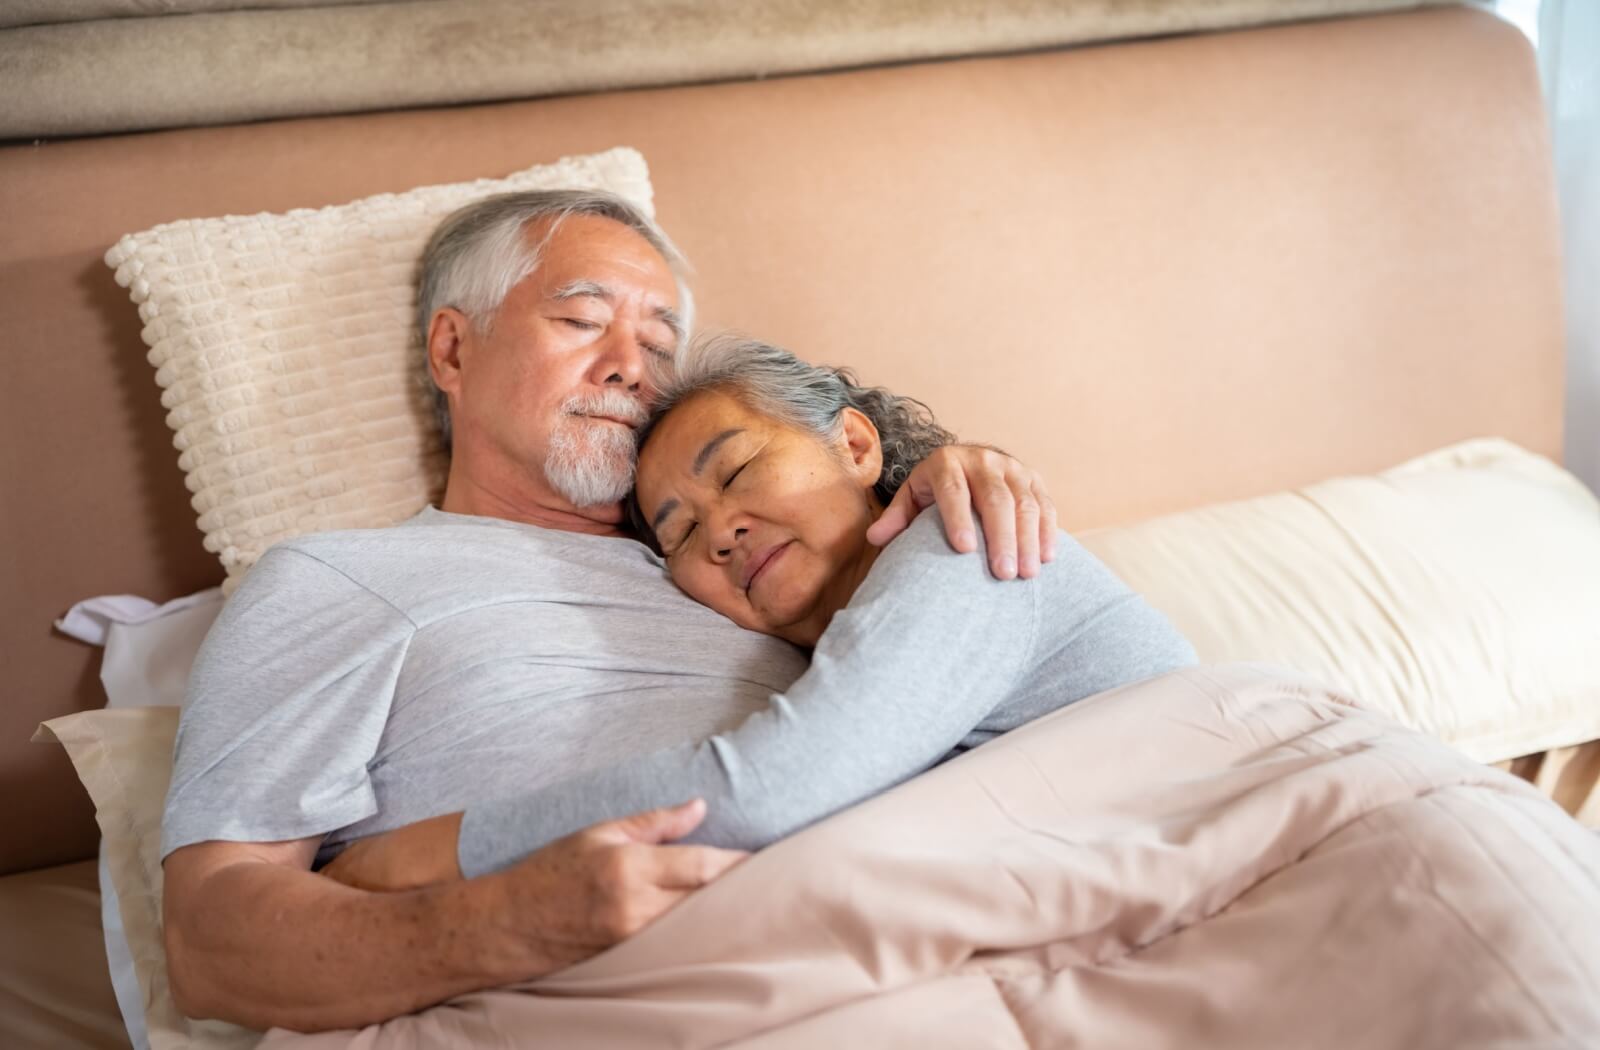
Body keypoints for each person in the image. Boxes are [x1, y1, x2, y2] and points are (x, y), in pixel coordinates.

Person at [159, 189, 1062, 1033]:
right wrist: (506, 922)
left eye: (661, 347)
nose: (632, 369)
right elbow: (208, 943)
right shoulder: (335, 580)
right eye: (581, 320)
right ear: (453, 351)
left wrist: (944, 480)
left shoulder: (748, 558)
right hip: (649, 996)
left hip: (939, 925)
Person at [322, 335, 1196, 891]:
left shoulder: (962, 545)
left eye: (736, 472)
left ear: (855, 446)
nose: (722, 531)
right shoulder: (836, 664)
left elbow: (770, 787)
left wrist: (441, 851)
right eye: (680, 533)